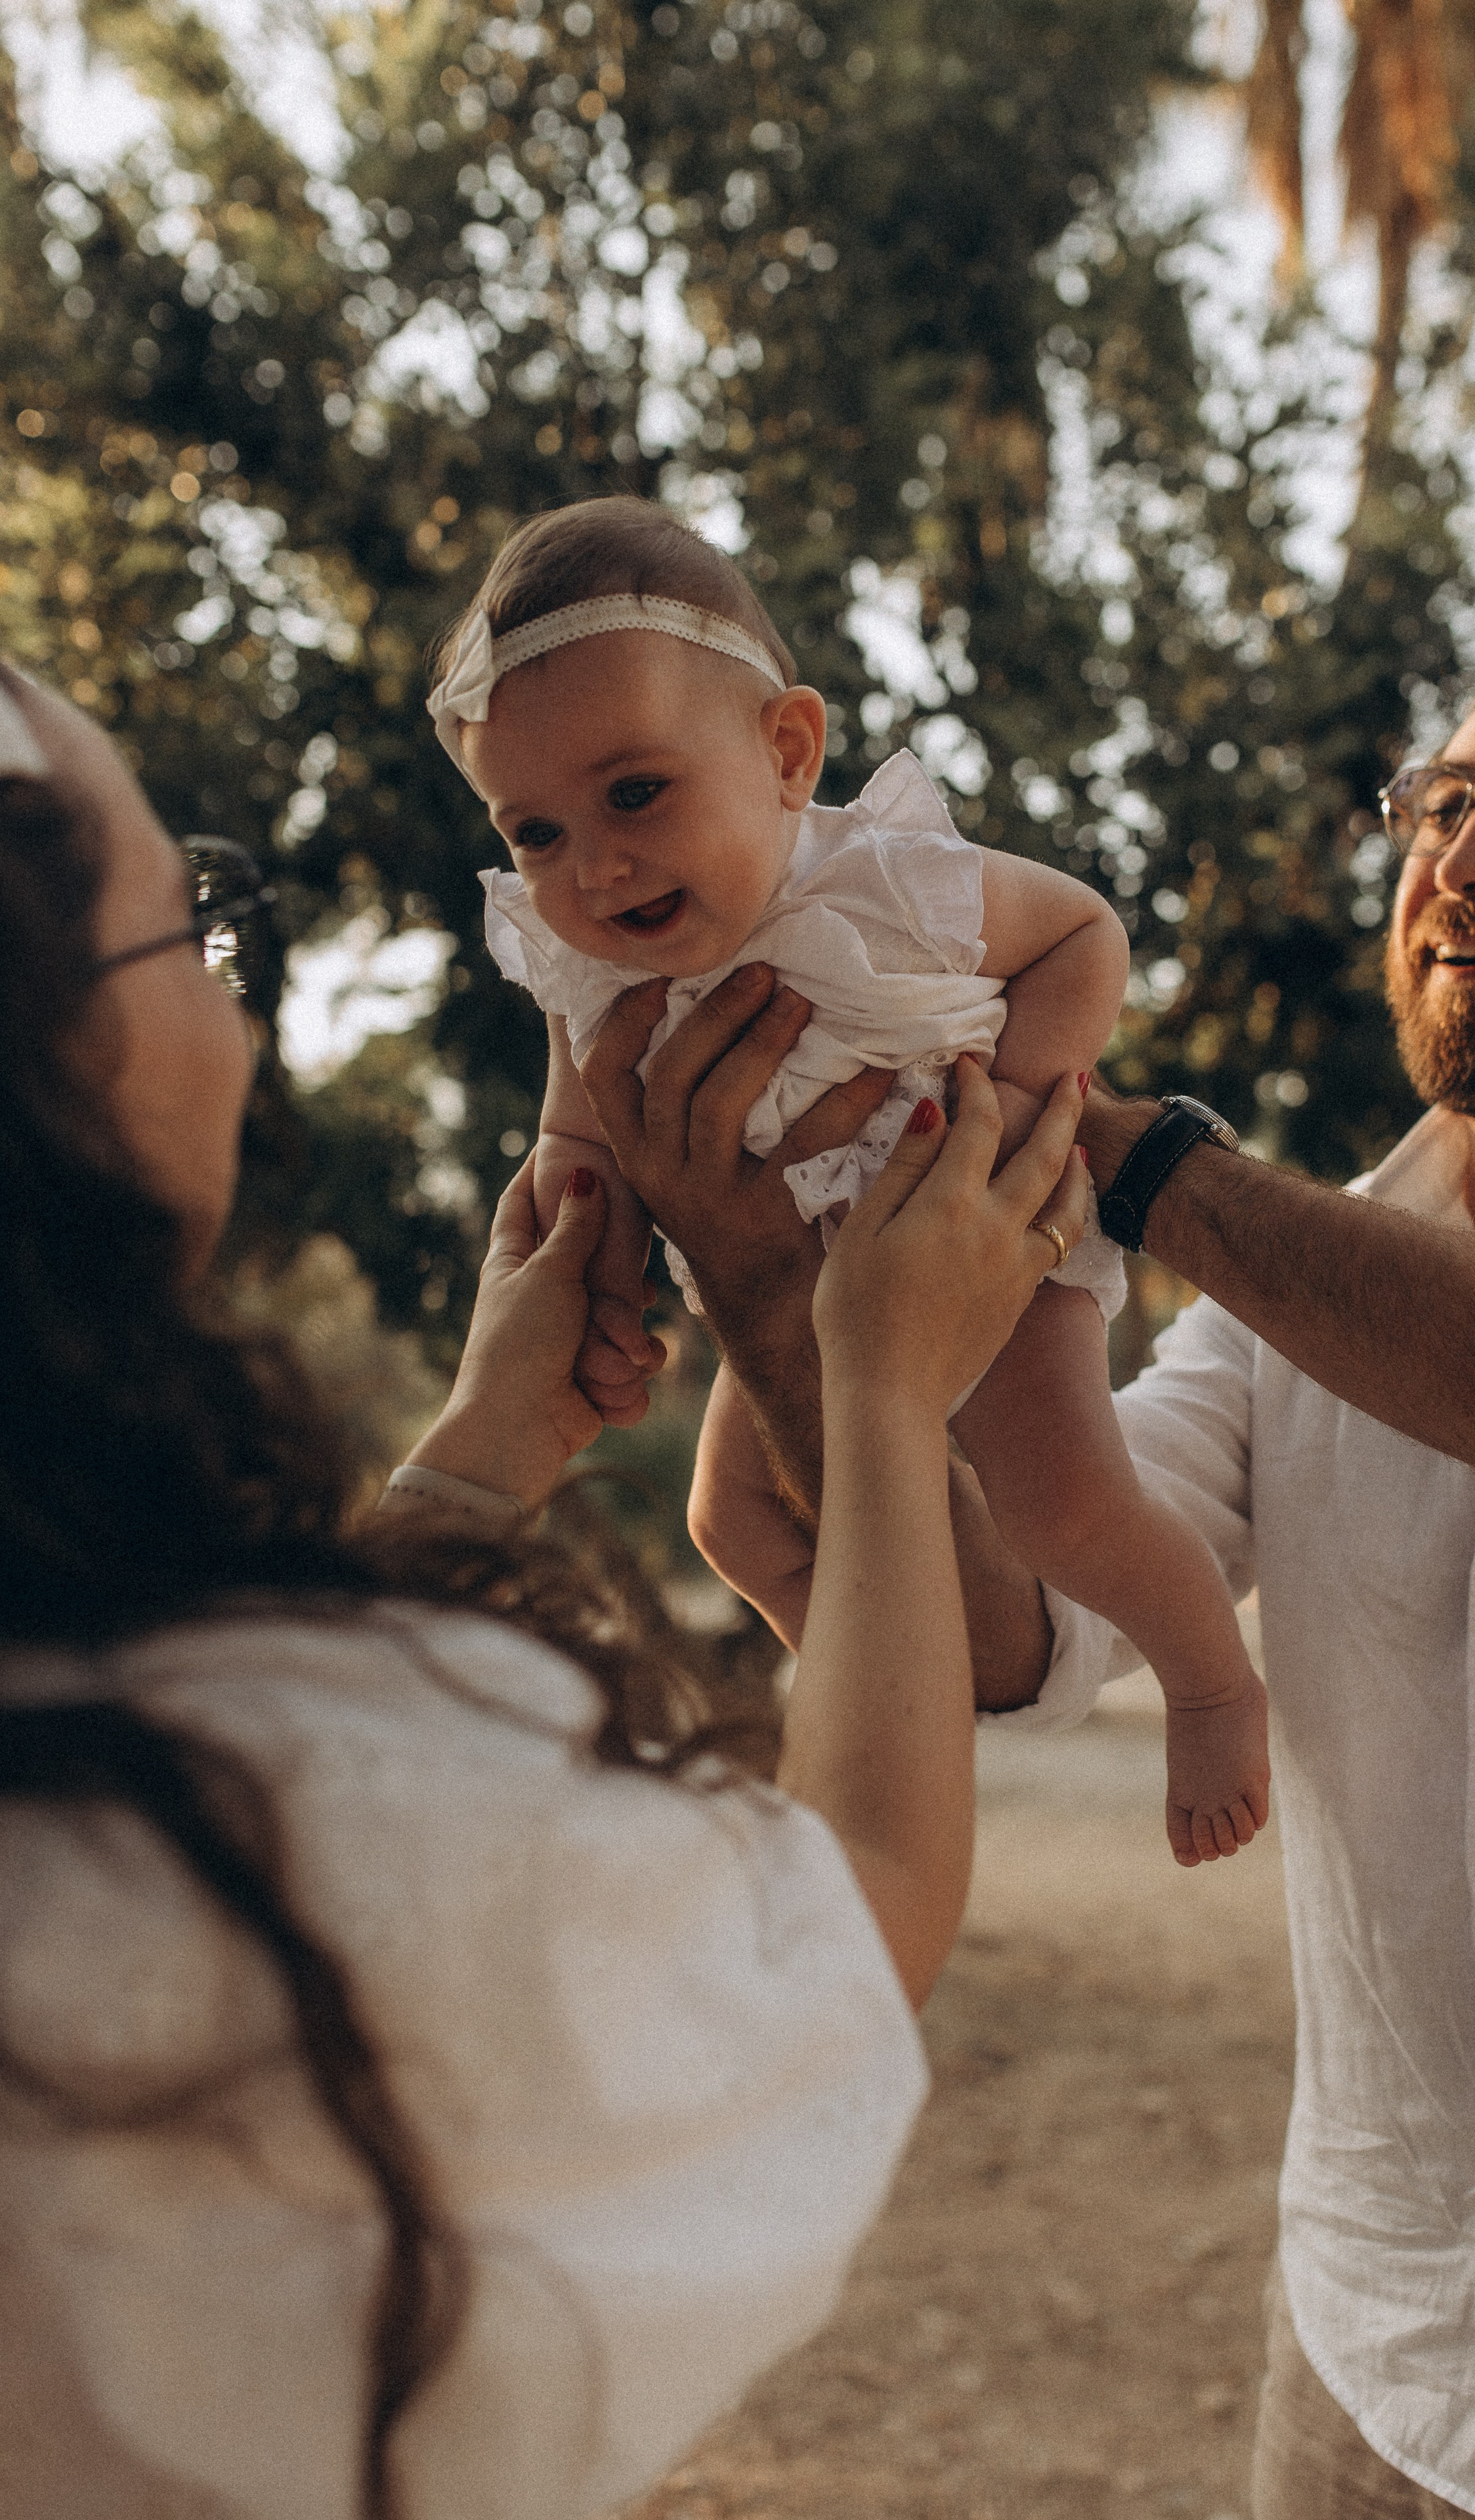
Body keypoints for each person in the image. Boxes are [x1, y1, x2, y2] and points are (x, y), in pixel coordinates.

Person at [578, 648, 1475, 2520]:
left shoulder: (1261, 1248)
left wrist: (1122, 1152)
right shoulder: (1281, 1328)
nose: (1467, 859)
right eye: (1440, 807)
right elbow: (1021, 1625)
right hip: (1377, 2362)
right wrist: (784, 1303)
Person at [0, 657, 1089, 2520]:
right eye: (192, 917)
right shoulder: (223, 1837)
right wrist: (883, 1386)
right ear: (64, 1066)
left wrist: (487, 1453)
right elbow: (856, 1912)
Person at [425, 495, 1269, 1865]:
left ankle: (1214, 1686)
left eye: (633, 793)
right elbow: (583, 1141)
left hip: (979, 1236)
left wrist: (1007, 1114)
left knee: (1062, 1506)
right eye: (534, 833)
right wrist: (572, 1248)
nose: (595, 865)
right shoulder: (585, 968)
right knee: (730, 1516)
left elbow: (1081, 937)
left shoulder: (886, 884)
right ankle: (884, 1707)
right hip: (803, 1303)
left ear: (784, 750)